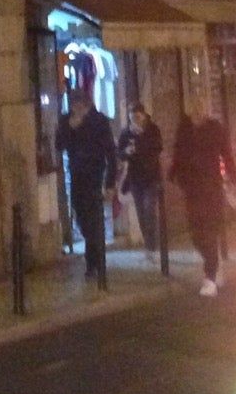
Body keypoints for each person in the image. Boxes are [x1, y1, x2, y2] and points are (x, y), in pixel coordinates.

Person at [170, 95, 236, 298]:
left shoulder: (215, 128)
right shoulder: (184, 129)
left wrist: (234, 178)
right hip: (191, 187)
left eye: (201, 106)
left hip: (211, 187)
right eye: (194, 106)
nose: (198, 110)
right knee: (196, 233)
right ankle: (214, 263)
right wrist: (173, 173)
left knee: (208, 230)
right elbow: (178, 153)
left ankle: (210, 277)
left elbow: (227, 154)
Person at [54, 87, 116, 279]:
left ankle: (93, 263)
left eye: (80, 104)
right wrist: (69, 128)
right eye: (73, 104)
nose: (76, 107)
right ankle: (95, 255)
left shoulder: (99, 121)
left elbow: (110, 153)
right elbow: (58, 145)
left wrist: (110, 182)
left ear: (87, 104)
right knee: (81, 218)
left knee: (93, 218)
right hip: (76, 175)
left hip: (94, 175)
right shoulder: (66, 121)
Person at [117, 102, 164, 255]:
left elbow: (158, 148)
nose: (135, 121)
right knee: (141, 214)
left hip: (152, 177)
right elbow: (120, 154)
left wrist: (140, 141)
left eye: (137, 117)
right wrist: (127, 151)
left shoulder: (152, 129)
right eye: (132, 118)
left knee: (149, 209)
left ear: (143, 115)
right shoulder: (126, 133)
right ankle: (149, 245)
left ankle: (152, 246)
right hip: (135, 179)